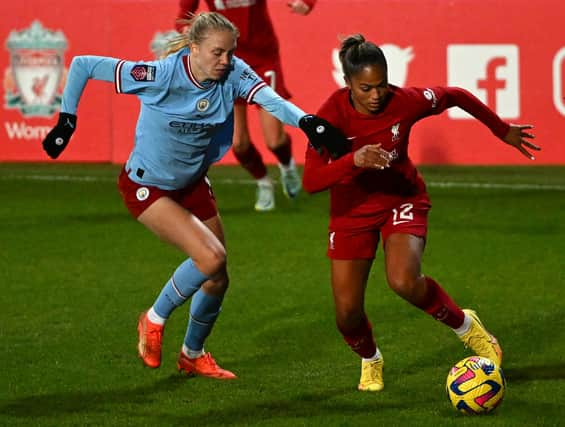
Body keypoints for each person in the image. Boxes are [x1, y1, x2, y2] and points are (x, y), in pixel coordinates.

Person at [41, 12, 329, 380]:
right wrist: (68, 120)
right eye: (217, 53)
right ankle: (153, 318)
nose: (226, 62)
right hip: (148, 186)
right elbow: (82, 65)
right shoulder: (160, 76)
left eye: (230, 53)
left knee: (217, 276)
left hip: (192, 183)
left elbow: (270, 100)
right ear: (193, 48)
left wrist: (307, 122)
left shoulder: (233, 72)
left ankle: (192, 354)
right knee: (210, 258)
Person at [302, 34, 541, 392]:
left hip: (403, 199)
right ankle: (371, 360)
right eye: (366, 88)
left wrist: (502, 129)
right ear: (347, 82)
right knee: (347, 315)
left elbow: (455, 95)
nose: (376, 95)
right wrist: (354, 160)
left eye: (381, 84)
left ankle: (468, 328)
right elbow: (310, 180)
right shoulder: (329, 118)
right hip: (351, 212)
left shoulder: (404, 101)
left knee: (403, 280)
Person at [176, 0, 316, 211]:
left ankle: (287, 167)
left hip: (263, 58)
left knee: (275, 141)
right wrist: (186, 28)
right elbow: (184, 14)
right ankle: (263, 182)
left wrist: (306, 2)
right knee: (238, 143)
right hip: (226, 62)